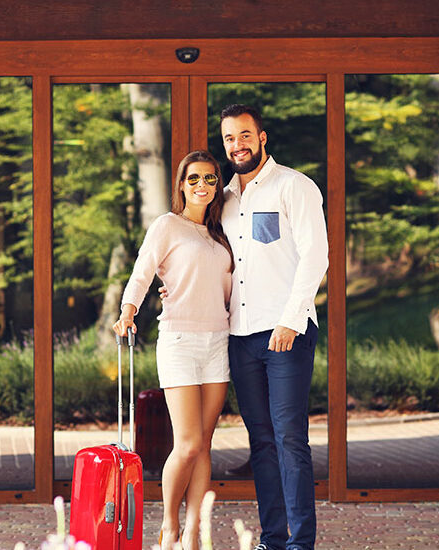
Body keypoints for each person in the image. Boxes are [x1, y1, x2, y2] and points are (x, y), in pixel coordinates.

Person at [113, 150, 235, 550]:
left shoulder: (221, 233)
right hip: (180, 341)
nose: (202, 185)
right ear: (182, 185)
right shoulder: (168, 225)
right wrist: (128, 311)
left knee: (204, 443)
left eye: (211, 179)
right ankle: (168, 525)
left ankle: (194, 533)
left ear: (218, 185)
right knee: (186, 443)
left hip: (218, 342)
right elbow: (142, 271)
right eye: (194, 178)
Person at [220, 103, 328, 550]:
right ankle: (273, 539)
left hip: (285, 334)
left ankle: (301, 543)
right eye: (229, 137)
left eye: (245, 135)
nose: (237, 144)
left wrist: (291, 319)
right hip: (240, 336)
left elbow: (315, 255)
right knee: (261, 442)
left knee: (289, 439)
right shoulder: (222, 199)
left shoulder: (294, 187)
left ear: (262, 138)